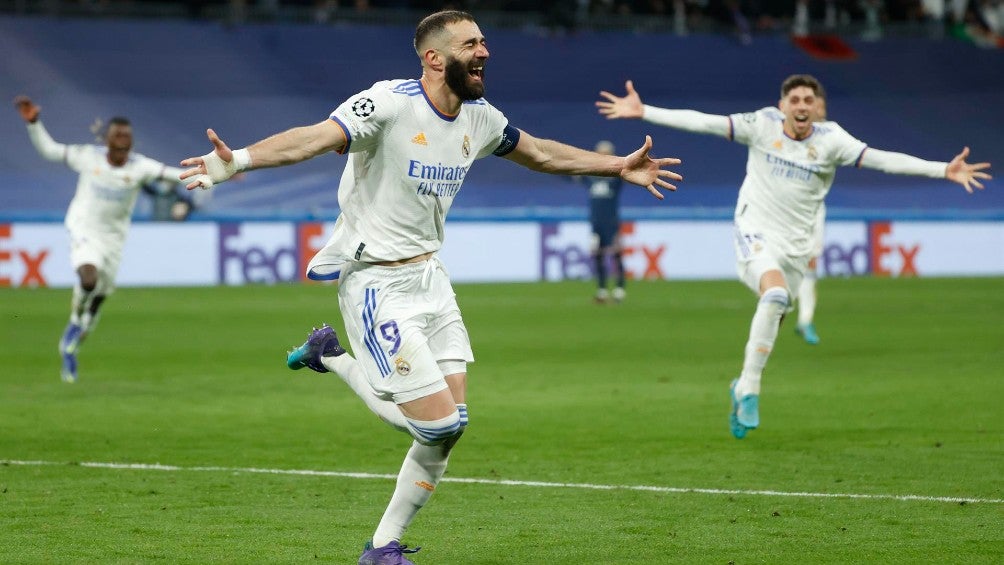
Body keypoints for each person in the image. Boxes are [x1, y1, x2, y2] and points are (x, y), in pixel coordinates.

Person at [179, 10, 683, 564]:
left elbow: (540, 153)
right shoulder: (389, 103)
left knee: (451, 429)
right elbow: (318, 138)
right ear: (434, 58)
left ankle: (382, 548)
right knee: (438, 423)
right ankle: (335, 358)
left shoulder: (481, 118)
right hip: (377, 283)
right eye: (471, 43)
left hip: (432, 280)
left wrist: (616, 167)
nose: (485, 51)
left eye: (485, 40)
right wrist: (240, 161)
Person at [596, 75, 991, 440]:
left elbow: (884, 159)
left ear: (818, 108)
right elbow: (705, 122)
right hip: (755, 230)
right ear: (782, 105)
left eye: (809, 99)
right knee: (776, 296)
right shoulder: (761, 125)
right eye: (794, 98)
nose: (801, 104)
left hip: (797, 247)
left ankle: (742, 383)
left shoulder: (833, 140)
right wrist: (644, 111)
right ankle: (749, 388)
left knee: (778, 308)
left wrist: (944, 170)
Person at [14, 96, 190, 384]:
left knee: (100, 297)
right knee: (88, 279)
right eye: (117, 135)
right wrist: (34, 123)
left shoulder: (140, 167)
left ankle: (74, 340)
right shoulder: (88, 156)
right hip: (84, 227)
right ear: (107, 139)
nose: (122, 140)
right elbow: (49, 151)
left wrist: (218, 173)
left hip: (114, 239)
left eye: (127, 136)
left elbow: (175, 175)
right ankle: (74, 320)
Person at [581, 140, 627, 304]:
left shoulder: (616, 176)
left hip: (611, 221)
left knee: (616, 253)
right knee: (598, 255)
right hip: (595, 222)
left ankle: (620, 290)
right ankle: (601, 290)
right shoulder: (589, 176)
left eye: (605, 153)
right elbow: (570, 175)